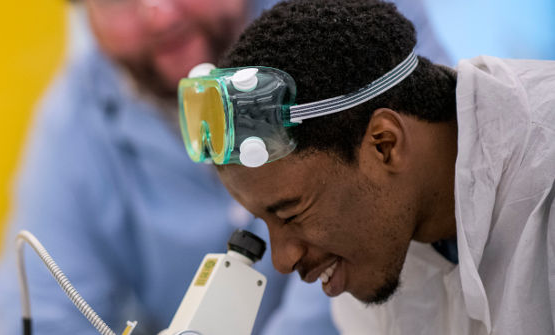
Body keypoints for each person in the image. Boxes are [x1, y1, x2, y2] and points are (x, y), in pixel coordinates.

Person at [0, 1, 450, 334]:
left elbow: (402, 213)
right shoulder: (78, 117)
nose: (158, 12)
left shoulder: (360, 25)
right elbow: (44, 308)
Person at [196, 0, 555, 333]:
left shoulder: (545, 177)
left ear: (385, 145)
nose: (283, 261)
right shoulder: (378, 250)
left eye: (291, 214)